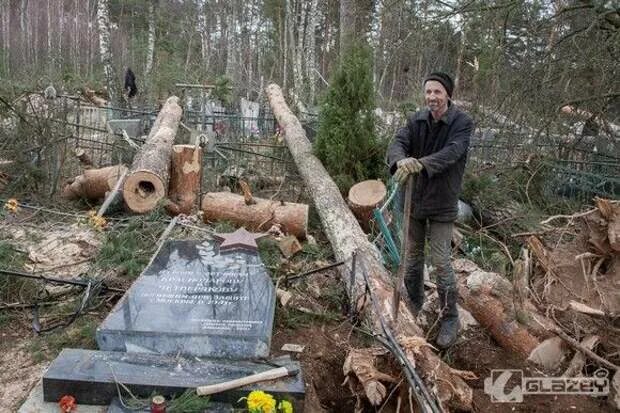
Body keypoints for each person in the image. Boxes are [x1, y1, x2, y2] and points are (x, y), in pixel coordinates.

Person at [387, 72, 474, 348]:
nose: (432, 98)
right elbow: (397, 143)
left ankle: (450, 318)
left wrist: (421, 164)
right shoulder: (416, 120)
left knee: (440, 261)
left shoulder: (462, 123)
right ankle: (414, 304)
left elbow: (453, 153)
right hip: (413, 201)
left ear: (447, 94)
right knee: (412, 256)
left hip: (441, 202)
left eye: (437, 92)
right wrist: (401, 161)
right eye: (428, 93)